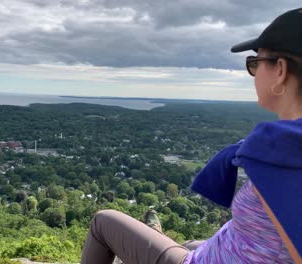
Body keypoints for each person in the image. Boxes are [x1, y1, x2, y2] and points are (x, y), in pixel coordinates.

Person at [81, 8, 302, 264]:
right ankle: (156, 236)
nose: (252, 74)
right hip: (220, 252)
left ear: (280, 70)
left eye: (255, 63)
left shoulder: (280, 151)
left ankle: (153, 238)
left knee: (103, 221)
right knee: (188, 244)